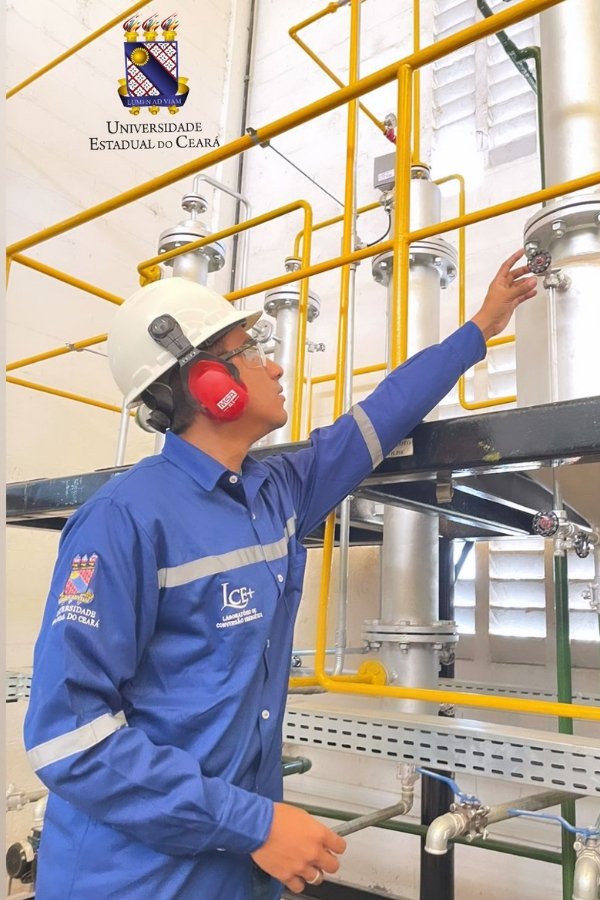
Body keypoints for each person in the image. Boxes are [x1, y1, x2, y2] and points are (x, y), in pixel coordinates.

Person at [24, 251, 537, 900]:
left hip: (237, 869)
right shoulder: (122, 521)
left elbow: (382, 414)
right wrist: (255, 822)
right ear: (211, 384)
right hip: (134, 878)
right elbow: (68, 737)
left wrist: (481, 328)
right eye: (254, 349)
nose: (277, 363)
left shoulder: (278, 491)